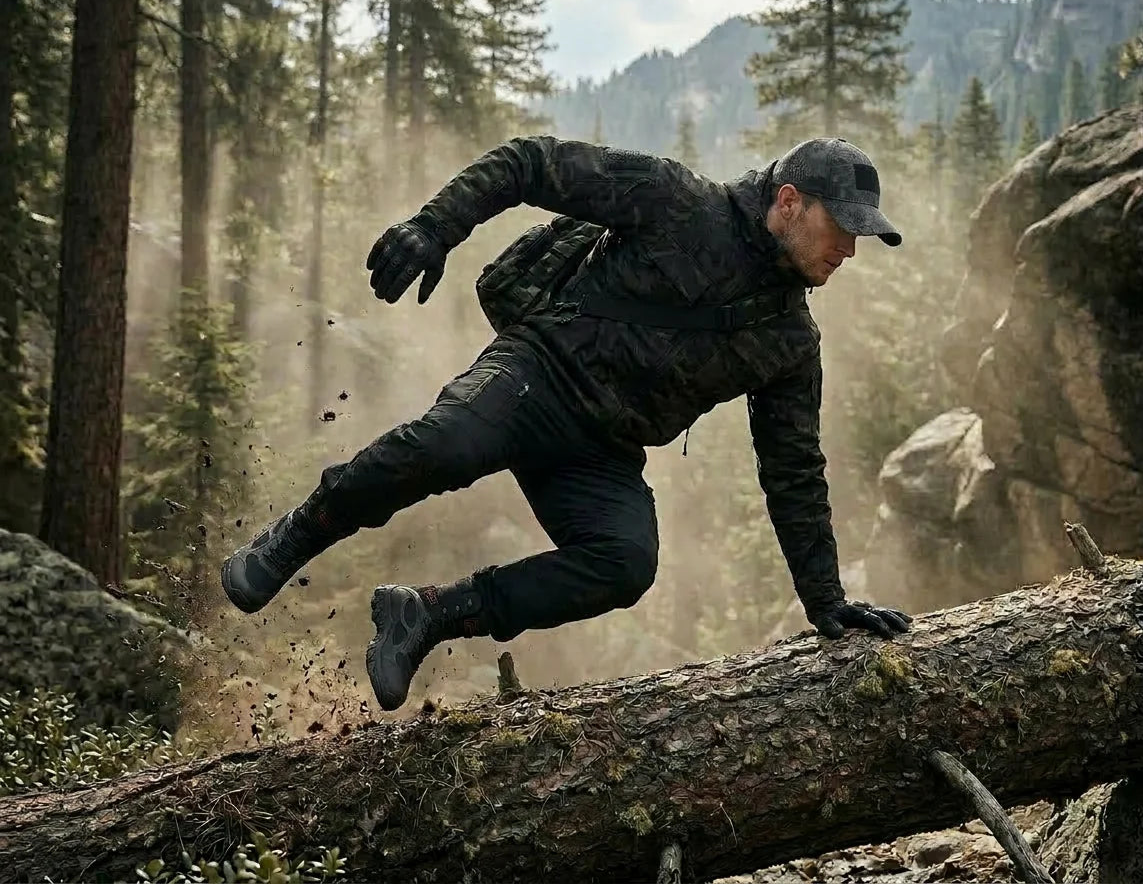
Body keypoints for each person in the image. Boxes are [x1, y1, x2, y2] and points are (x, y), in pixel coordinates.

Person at [220, 135, 913, 712]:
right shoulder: (675, 200)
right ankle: (291, 539)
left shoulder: (789, 341)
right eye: (842, 228)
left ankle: (426, 613)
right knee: (447, 443)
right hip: (537, 373)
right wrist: (433, 227)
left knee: (624, 564)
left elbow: (793, 472)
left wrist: (826, 603)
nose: (849, 251)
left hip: (600, 452)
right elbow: (529, 162)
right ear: (789, 202)